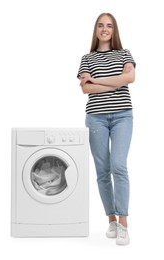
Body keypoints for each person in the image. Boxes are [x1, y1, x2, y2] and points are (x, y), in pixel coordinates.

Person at [77, 13, 136, 246]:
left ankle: (123, 223)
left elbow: (131, 77)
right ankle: (111, 220)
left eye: (109, 25)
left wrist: (98, 83)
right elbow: (85, 89)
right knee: (103, 171)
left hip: (123, 116)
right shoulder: (86, 59)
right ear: (96, 30)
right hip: (95, 119)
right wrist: (117, 80)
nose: (104, 29)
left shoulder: (125, 54)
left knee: (118, 166)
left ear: (114, 30)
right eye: (101, 25)